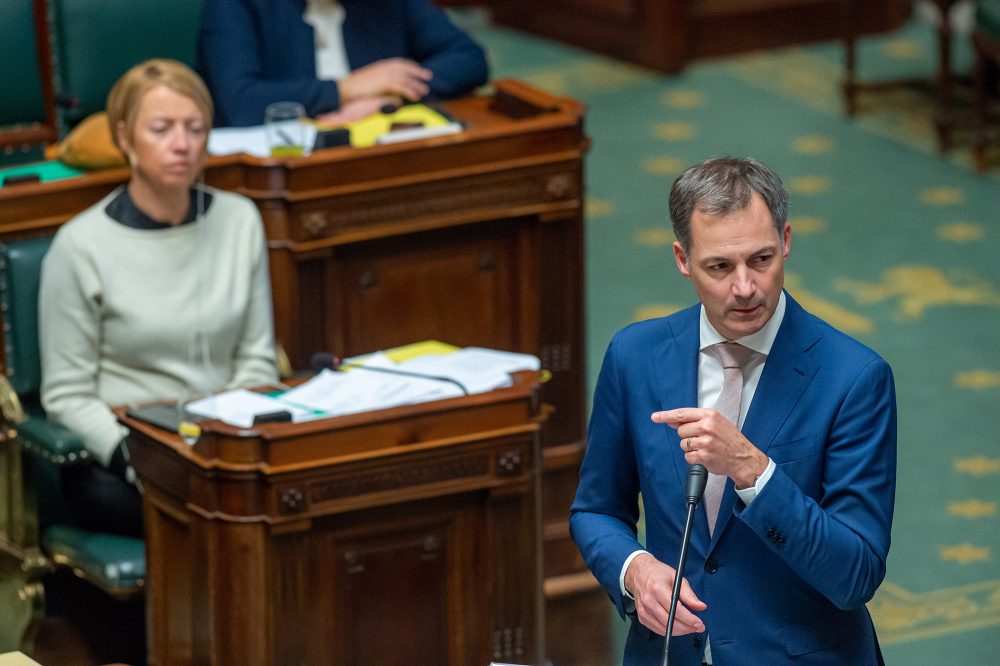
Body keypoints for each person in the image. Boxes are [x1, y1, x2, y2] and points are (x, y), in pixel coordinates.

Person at [569, 157, 896, 665]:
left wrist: (752, 470)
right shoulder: (634, 357)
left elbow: (854, 576)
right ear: (682, 259)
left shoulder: (854, 378)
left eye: (761, 260)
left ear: (786, 240)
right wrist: (633, 568)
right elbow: (595, 510)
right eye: (720, 267)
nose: (745, 288)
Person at [39, 59, 278, 537]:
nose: (182, 145)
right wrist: (141, 459)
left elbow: (258, 360)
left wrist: (224, 440)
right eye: (162, 129)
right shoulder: (81, 245)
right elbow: (67, 398)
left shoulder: (240, 221)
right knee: (212, 516)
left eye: (195, 128)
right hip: (124, 459)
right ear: (125, 138)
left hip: (221, 446)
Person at [196, 0, 490, 127]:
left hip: (373, 159)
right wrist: (347, 88)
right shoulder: (234, 4)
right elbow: (240, 101)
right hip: (278, 173)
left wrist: (391, 95)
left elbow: (468, 58)